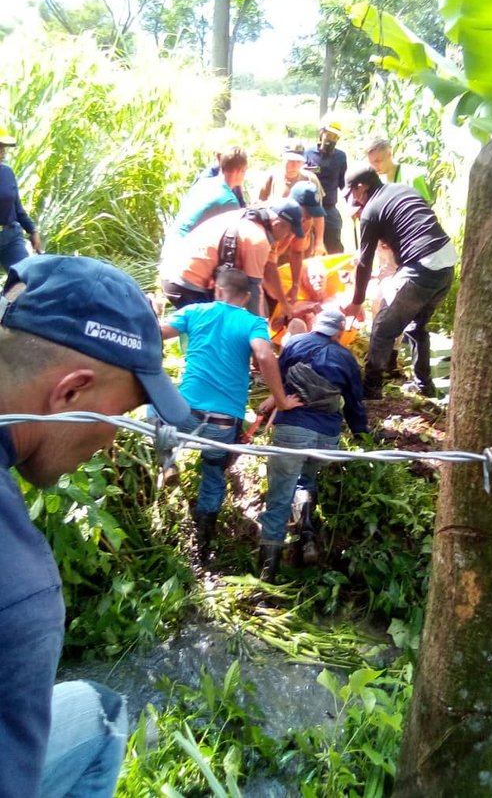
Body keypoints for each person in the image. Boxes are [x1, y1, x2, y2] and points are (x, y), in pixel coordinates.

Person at [0, 254, 190, 798]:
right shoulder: (20, 592)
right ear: (70, 392)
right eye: (118, 416)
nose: (110, 441)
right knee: (103, 716)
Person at [160, 268, 300, 564]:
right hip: (223, 426)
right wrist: (279, 399)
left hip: (185, 415)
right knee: (213, 474)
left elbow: (156, 333)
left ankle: (167, 459)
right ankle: (203, 550)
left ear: (215, 288)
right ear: (247, 296)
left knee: (152, 405)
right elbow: (264, 355)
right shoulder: (252, 322)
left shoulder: (195, 310)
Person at [257, 308, 368, 581]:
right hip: (326, 438)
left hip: (293, 430)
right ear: (340, 332)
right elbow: (355, 404)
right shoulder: (347, 359)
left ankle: (266, 575)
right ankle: (307, 536)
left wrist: (276, 400)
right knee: (306, 480)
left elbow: (278, 378)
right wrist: (362, 434)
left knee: (279, 497)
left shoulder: (295, 343)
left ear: (315, 325)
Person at [342, 166, 457, 399]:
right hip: (446, 263)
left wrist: (356, 301)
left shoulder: (371, 210)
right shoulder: (402, 191)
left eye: (353, 193)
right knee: (417, 325)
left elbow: (364, 262)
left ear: (361, 187)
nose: (354, 200)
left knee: (383, 327)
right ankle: (424, 386)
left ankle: (371, 388)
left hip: (422, 266)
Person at [160, 199, 304, 316]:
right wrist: (259, 332)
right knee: (212, 334)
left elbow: (270, 270)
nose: (288, 237)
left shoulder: (253, 217)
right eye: (289, 232)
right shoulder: (257, 239)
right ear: (278, 225)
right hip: (186, 283)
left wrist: (284, 304)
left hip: (174, 269)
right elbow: (253, 290)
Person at [159, 146, 248, 271]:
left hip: (168, 250)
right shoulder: (229, 201)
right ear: (239, 171)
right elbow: (230, 245)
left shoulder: (203, 183)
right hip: (182, 260)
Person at [0, 127, 42, 274]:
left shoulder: (6, 172)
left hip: (10, 236)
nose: (3, 152)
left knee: (25, 280)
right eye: (0, 148)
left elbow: (16, 207)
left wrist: (32, 230)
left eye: (4, 148)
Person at [304, 120, 348, 254]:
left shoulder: (340, 157)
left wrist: (355, 205)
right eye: (329, 135)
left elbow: (344, 184)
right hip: (308, 208)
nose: (331, 139)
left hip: (328, 209)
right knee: (305, 246)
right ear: (321, 133)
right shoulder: (308, 153)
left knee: (334, 246)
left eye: (335, 137)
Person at [366, 137, 432, 201]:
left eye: (377, 161)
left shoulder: (412, 176)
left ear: (389, 154)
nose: (375, 167)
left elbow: (424, 207)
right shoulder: (377, 183)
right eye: (372, 163)